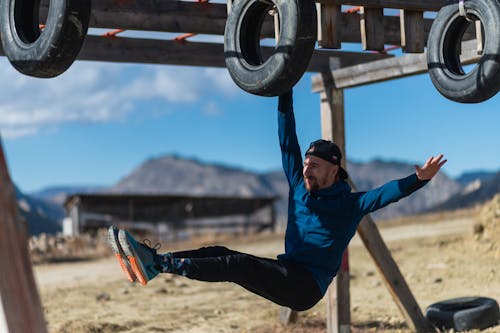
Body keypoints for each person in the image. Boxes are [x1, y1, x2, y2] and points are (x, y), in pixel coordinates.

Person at [108, 90, 447, 311]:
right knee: (221, 254)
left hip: (306, 287)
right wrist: (283, 86)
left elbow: (385, 194)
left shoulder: (351, 205)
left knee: (235, 265)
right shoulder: (298, 185)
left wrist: (419, 179)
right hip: (286, 269)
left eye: (314, 166)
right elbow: (287, 139)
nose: (306, 170)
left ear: (334, 170)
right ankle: (153, 262)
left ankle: (161, 265)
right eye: (306, 164)